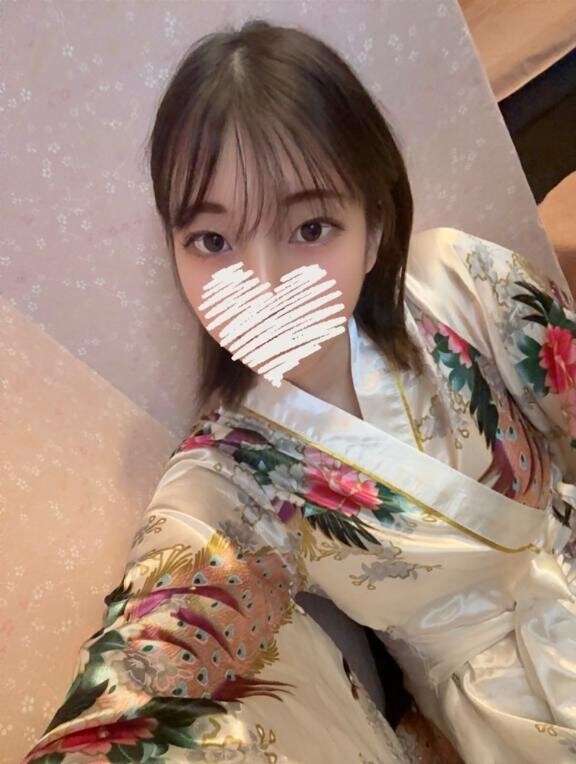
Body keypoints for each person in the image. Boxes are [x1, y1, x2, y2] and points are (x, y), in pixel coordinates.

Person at [25, 18, 576, 764]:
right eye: (213, 242)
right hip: (508, 716)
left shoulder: (459, 283)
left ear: (374, 226)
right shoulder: (225, 476)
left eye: (310, 227)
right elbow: (155, 651)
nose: (264, 282)